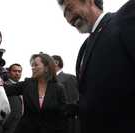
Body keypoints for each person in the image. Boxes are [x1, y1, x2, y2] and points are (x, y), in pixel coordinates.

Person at [57, 0, 135, 132]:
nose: (69, 19)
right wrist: (77, 107)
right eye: (65, 15)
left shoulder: (125, 17)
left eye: (69, 9)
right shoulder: (84, 49)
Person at [4, 52, 68, 133]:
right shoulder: (27, 84)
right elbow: (5, 90)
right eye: (32, 65)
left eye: (36, 65)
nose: (32, 68)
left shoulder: (59, 89)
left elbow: (62, 118)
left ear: (46, 68)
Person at [52, 55, 79, 133]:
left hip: (66, 124)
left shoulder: (69, 78)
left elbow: (74, 103)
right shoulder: (48, 82)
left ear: (56, 63)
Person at [3, 63, 23, 133]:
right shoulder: (3, 87)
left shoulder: (23, 88)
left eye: (19, 71)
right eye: (14, 71)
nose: (17, 73)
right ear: (9, 72)